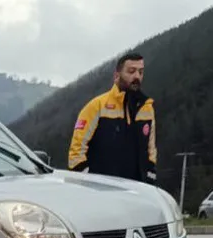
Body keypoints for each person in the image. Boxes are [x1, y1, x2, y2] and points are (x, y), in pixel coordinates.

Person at [67, 52, 157, 184]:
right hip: (100, 190)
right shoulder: (97, 106)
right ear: (116, 76)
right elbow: (76, 151)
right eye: (131, 71)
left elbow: (151, 151)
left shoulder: (147, 108)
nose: (137, 76)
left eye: (141, 72)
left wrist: (150, 177)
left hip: (136, 191)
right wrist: (87, 180)